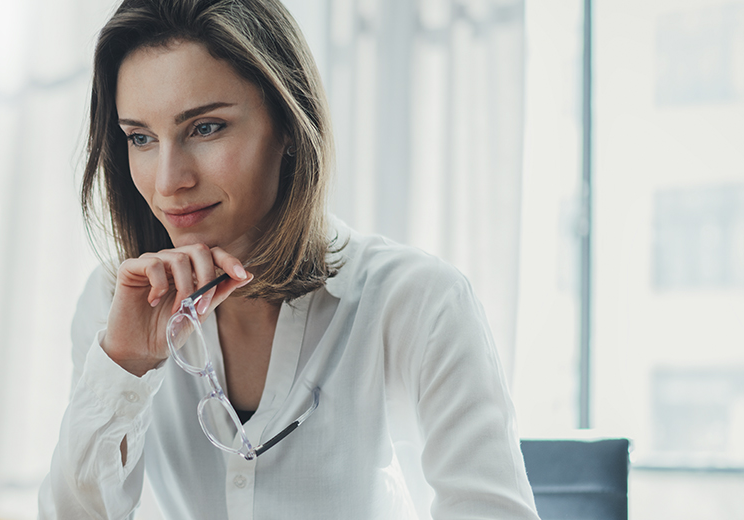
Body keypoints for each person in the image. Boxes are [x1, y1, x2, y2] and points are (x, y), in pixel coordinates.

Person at [39, 0, 541, 518]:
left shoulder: (419, 301)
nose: (169, 181)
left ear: (286, 124)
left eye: (206, 128)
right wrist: (124, 368)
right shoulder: (114, 305)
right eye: (141, 138)